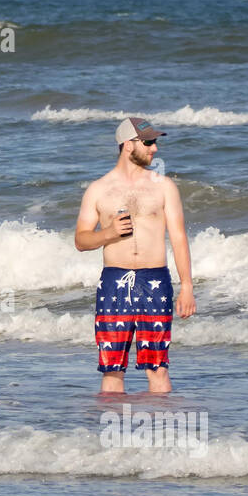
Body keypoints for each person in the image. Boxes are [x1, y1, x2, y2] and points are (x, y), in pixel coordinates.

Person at [75, 117, 196, 393]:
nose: (155, 149)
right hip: (114, 282)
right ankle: (114, 433)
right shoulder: (98, 189)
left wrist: (187, 286)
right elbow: (81, 240)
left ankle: (161, 433)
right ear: (128, 145)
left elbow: (178, 238)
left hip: (155, 280)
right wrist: (108, 233)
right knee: (112, 370)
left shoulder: (164, 187)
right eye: (149, 142)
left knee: (158, 369)